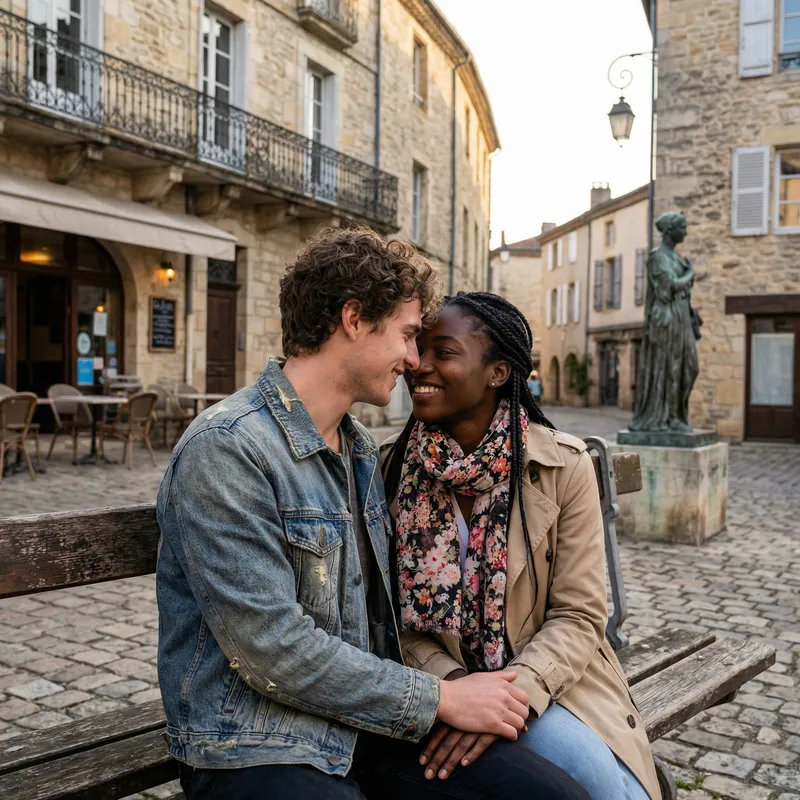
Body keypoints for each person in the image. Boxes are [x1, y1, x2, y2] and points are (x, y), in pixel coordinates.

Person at [156, 229, 589, 800]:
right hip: (254, 743)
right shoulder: (229, 449)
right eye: (408, 336)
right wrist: (443, 698)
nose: (413, 360)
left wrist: (456, 688)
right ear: (354, 319)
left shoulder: (360, 450)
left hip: (362, 723)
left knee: (552, 796)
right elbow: (273, 649)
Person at [382, 292, 659, 800]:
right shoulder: (391, 469)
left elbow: (578, 615)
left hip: (547, 682)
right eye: (417, 348)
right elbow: (388, 620)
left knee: (615, 789)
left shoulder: (561, 467)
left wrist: (508, 697)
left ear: (498, 373)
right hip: (440, 688)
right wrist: (459, 691)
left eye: (442, 352)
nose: (418, 365)